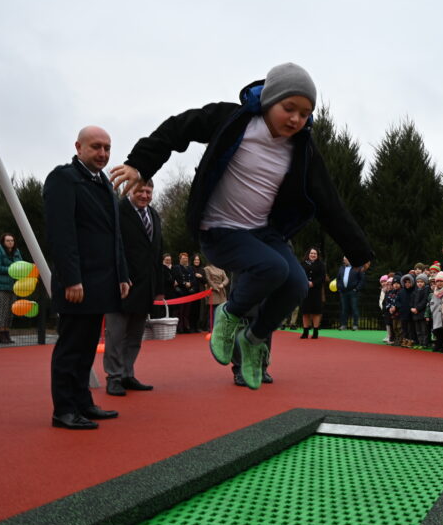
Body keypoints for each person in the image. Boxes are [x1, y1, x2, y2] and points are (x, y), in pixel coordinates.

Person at [111, 63, 373, 389]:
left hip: (264, 232)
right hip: (220, 228)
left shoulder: (302, 149)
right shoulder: (233, 121)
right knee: (274, 268)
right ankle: (229, 316)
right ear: (269, 101)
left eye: (304, 114)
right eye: (288, 108)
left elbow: (329, 201)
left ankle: (253, 339)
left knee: (295, 285)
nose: (295, 119)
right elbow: (180, 127)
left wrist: (357, 249)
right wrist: (140, 162)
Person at [43, 126, 129, 430]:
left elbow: (114, 235)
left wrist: (122, 274)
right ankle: (64, 410)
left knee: (87, 347)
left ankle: (82, 403)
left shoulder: (105, 183)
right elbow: (61, 234)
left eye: (107, 147)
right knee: (71, 348)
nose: (103, 153)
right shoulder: (63, 179)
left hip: (102, 283)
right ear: (79, 146)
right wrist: (71, 279)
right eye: (96, 147)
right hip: (77, 284)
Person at [103, 179, 164, 397]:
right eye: (140, 191)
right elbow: (110, 247)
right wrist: (119, 277)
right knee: (116, 335)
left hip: (145, 287)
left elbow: (157, 252)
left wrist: (159, 287)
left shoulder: (154, 215)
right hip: (121, 284)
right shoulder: (117, 211)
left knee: (135, 336)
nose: (145, 195)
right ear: (131, 190)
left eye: (148, 191)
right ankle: (114, 377)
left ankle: (127, 373)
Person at [0, 232, 22, 344]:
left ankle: (7, 334)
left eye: (12, 240)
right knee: (1, 311)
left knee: (9, 311)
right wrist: (11, 269)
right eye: (8, 240)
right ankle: (1, 335)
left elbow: (20, 265)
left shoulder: (17, 252)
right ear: (3, 242)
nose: (10, 242)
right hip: (0, 286)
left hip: (13, 286)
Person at [299, 247, 326, 339]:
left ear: (317, 255)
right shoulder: (302, 264)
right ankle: (305, 332)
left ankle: (315, 331)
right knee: (305, 311)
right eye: (311, 253)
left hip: (316, 291)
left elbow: (322, 277)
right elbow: (299, 274)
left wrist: (313, 283)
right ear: (308, 254)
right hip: (305, 291)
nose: (313, 255)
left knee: (316, 312)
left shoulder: (321, 265)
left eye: (315, 254)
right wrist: (305, 282)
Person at [337, 256, 364, 330]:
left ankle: (355, 325)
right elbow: (338, 279)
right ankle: (343, 325)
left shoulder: (358, 267)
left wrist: (356, 289)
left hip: (353, 291)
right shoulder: (341, 268)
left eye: (345, 259)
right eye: (344, 260)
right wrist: (339, 287)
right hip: (343, 292)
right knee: (344, 308)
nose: (344, 261)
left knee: (354, 308)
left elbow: (362, 280)